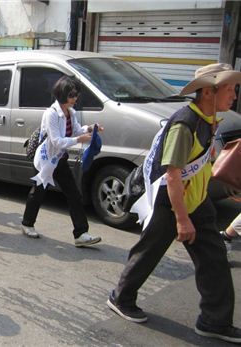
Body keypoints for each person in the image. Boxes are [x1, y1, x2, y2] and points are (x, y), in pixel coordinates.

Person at [107, 63, 241, 344]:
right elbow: (173, 175)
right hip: (171, 202)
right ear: (208, 92)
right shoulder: (184, 124)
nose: (234, 96)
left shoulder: (208, 119)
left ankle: (214, 321)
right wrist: (182, 219)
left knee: (215, 260)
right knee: (148, 253)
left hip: (197, 201)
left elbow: (202, 164)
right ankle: (121, 298)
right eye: (229, 89)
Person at [20, 76, 102, 247]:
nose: (75, 99)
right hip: (46, 159)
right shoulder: (51, 114)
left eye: (76, 95)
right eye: (72, 95)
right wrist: (79, 139)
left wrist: (90, 128)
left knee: (74, 194)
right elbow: (56, 140)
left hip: (60, 159)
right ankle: (27, 224)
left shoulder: (70, 112)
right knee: (39, 192)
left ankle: (81, 233)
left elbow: (76, 130)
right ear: (62, 94)